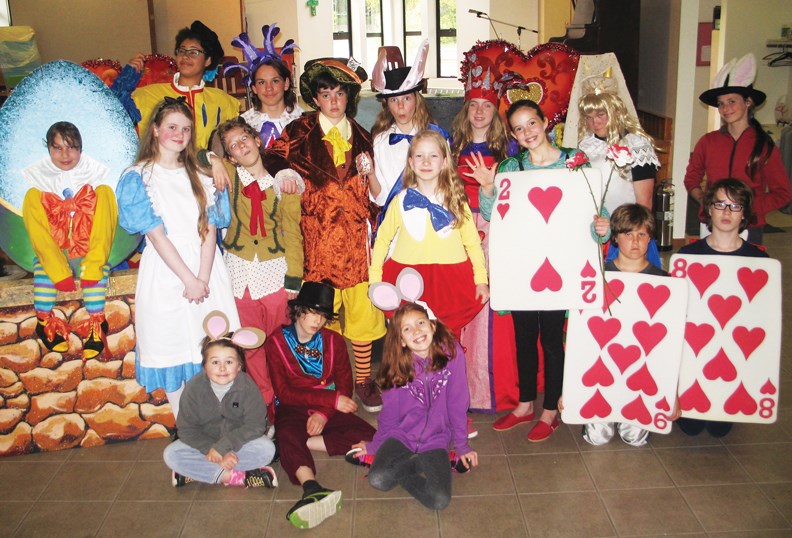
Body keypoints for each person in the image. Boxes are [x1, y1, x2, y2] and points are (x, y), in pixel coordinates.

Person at [478, 99, 609, 442]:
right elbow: (492, 215)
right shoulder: (511, 167)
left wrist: (602, 227)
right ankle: (524, 405)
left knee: (552, 340)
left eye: (531, 123)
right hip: (523, 266)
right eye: (519, 129)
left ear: (545, 121)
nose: (527, 133)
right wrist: (488, 188)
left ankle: (550, 410)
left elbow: (597, 213)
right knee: (523, 338)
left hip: (559, 267)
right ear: (513, 134)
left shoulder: (573, 162)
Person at [263, 58, 386, 412]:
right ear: (315, 99)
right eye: (325, 93)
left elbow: (372, 188)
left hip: (356, 245)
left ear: (349, 97)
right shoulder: (300, 130)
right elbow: (271, 157)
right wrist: (285, 170)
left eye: (339, 93)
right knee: (319, 314)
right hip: (317, 242)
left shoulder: (363, 137)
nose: (333, 100)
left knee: (362, 317)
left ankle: (363, 380)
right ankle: (323, 379)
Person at [116, 97, 238, 419]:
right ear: (155, 130)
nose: (179, 134)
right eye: (171, 127)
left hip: (206, 268)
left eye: (185, 129)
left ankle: (217, 429)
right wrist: (188, 279)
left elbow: (210, 229)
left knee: (212, 350)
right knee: (172, 346)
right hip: (167, 271)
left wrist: (203, 277)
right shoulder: (138, 176)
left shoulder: (201, 174)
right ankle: (186, 429)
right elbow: (155, 234)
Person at [200, 116, 303, 419]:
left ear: (257, 140)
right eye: (232, 145)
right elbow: (192, 155)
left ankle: (288, 403)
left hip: (274, 276)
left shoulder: (284, 183)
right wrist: (213, 159)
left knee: (278, 346)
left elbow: (293, 234)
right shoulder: (230, 176)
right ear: (230, 155)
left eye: (244, 138)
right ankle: (264, 407)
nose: (241, 146)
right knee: (251, 348)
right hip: (239, 277)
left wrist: (294, 279)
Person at [264, 282, 377, 529]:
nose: (318, 321)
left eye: (323, 316)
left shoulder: (333, 340)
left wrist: (324, 414)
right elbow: (284, 391)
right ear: (298, 310)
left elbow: (344, 386)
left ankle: (307, 443)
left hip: (329, 406)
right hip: (293, 405)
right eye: (312, 313)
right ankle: (311, 488)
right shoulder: (276, 342)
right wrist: (329, 401)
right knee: (286, 432)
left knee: (372, 436)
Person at [350, 303, 477, 510]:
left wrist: (462, 445)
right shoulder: (396, 366)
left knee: (439, 500)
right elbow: (389, 415)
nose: (416, 331)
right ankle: (422, 464)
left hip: (437, 439)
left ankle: (436, 461)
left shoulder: (452, 354)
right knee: (378, 479)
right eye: (407, 329)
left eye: (420, 323)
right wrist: (374, 446)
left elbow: (457, 403)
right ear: (401, 341)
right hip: (401, 434)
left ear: (432, 326)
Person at [451, 52, 520, 415]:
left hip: (495, 232)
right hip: (458, 232)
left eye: (486, 105)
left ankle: (489, 390)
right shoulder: (452, 145)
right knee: (460, 304)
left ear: (496, 109)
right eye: (474, 104)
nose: (479, 111)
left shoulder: (509, 149)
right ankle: (456, 389)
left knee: (491, 308)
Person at [369, 129, 488, 339]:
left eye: (433, 155)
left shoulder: (456, 200)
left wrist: (481, 279)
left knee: (446, 341)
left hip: (450, 282)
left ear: (444, 162)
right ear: (411, 162)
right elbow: (382, 241)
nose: (426, 162)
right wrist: (375, 279)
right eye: (419, 156)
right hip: (407, 277)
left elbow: (472, 243)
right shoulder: (400, 200)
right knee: (411, 339)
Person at [677, 178, 769, 437]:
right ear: (708, 209)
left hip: (736, 349)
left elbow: (764, 318)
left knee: (719, 428)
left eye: (735, 206)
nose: (727, 212)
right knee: (691, 426)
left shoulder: (759, 261)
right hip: (697, 348)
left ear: (745, 214)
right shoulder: (688, 256)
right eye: (720, 204)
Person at [22, 122, 118, 360]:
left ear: (81, 148)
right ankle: (43, 322)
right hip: (55, 256)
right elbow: (39, 235)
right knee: (42, 271)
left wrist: (94, 264)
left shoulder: (101, 189)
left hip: (88, 253)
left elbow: (104, 229)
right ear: (48, 150)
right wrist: (58, 270)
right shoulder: (36, 192)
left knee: (96, 276)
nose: (65, 155)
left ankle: (97, 325)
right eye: (57, 148)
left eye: (71, 147)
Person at [582, 204, 669, 446]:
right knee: (597, 437)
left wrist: (671, 392)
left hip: (643, 368)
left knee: (635, 439)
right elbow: (581, 338)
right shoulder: (598, 279)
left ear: (650, 237)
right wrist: (571, 389)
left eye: (642, 234)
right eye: (628, 234)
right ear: (616, 237)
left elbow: (669, 341)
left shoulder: (664, 282)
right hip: (604, 366)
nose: (635, 241)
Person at [684, 53, 791, 245]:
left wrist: (749, 207)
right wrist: (706, 201)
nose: (726, 109)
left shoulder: (764, 146)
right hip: (710, 224)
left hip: (749, 226)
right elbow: (691, 178)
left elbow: (782, 193)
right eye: (721, 104)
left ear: (748, 102)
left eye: (732, 101)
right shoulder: (708, 142)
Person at [163, 312, 277, 488]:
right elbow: (186, 429)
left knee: (267, 449)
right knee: (171, 454)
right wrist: (211, 449)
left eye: (229, 362)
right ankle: (234, 477)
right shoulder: (194, 389)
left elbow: (255, 426)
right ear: (204, 366)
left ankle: (198, 472)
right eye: (215, 362)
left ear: (239, 366)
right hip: (206, 446)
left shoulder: (248, 387)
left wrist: (224, 447)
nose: (222, 368)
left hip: (237, 443)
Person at [113, 20, 240, 149]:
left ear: (207, 61)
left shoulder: (223, 101)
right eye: (182, 51)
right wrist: (125, 80)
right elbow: (113, 113)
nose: (185, 56)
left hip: (208, 167)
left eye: (193, 52)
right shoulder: (147, 94)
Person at [368, 40, 449, 219]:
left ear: (416, 99)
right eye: (394, 100)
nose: (401, 107)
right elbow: (380, 197)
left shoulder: (437, 137)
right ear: (387, 105)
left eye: (406, 99)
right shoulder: (380, 141)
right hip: (394, 222)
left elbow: (447, 185)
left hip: (431, 219)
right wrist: (371, 173)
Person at [577, 90, 660, 212]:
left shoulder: (636, 144)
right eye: (589, 117)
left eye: (600, 115)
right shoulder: (585, 144)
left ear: (614, 113)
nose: (595, 122)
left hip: (624, 224)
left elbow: (644, 202)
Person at [226, 23, 303, 148]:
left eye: (275, 81)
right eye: (262, 82)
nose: (269, 88)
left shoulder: (303, 121)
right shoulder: (243, 124)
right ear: (254, 88)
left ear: (286, 83)